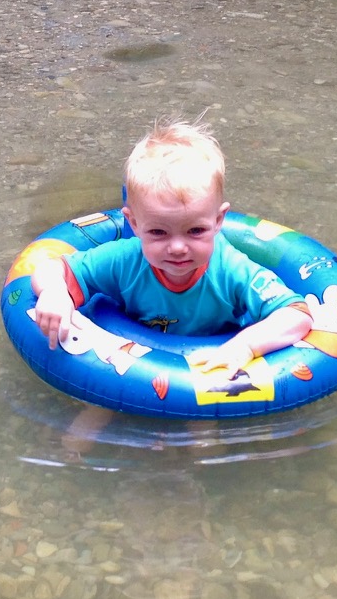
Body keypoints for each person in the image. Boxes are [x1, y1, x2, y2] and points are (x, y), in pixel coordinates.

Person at [30, 119, 313, 445]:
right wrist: (54, 293)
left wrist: (244, 346)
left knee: (202, 437)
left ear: (219, 221)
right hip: (131, 356)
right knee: (93, 412)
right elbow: (50, 267)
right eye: (158, 232)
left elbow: (297, 313)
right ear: (134, 224)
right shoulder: (123, 260)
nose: (178, 247)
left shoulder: (232, 269)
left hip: (209, 359)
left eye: (195, 230)